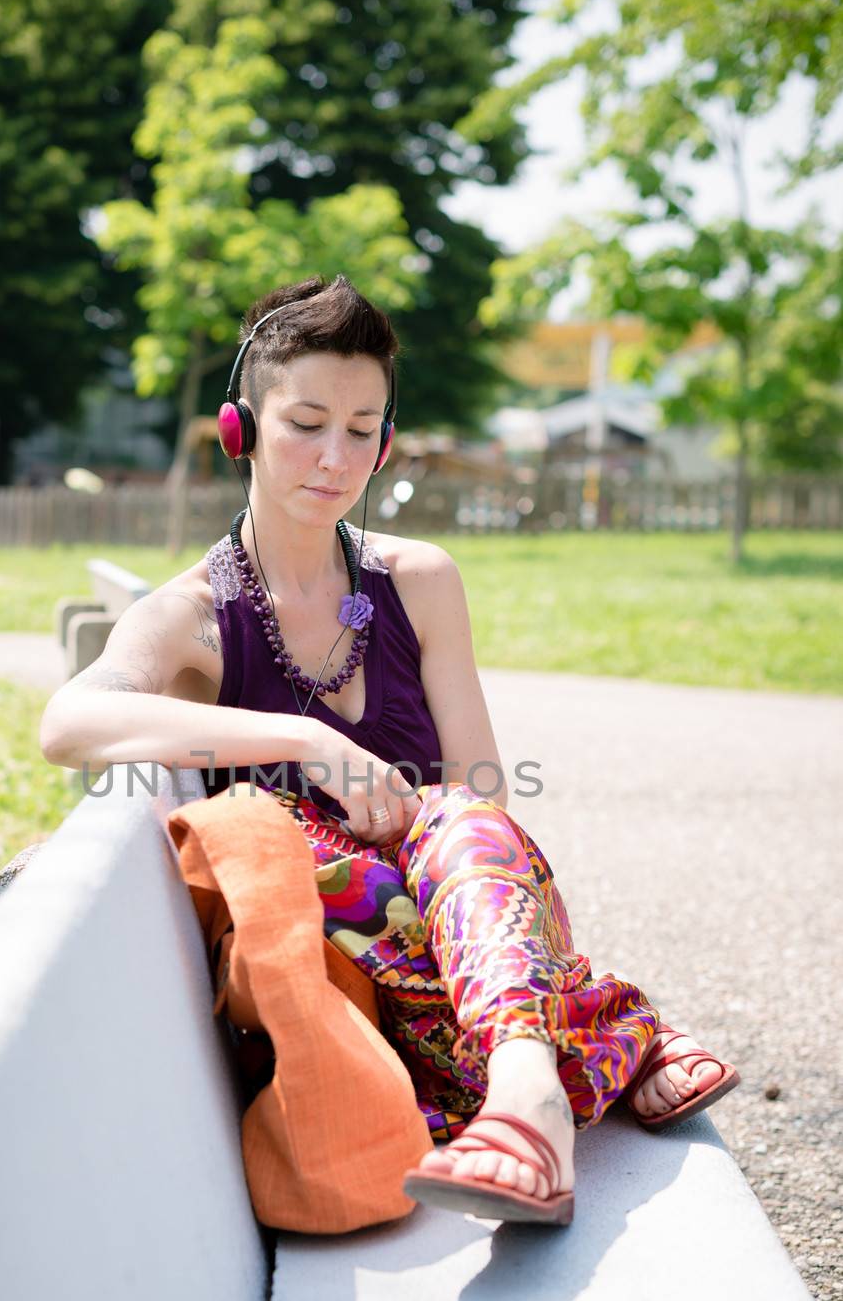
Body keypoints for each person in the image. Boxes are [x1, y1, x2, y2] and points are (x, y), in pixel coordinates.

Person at [38, 274, 739, 1227]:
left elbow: (488, 803)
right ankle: (605, 1034)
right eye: (307, 423)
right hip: (362, 980)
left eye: (362, 429)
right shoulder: (193, 617)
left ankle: (528, 1103)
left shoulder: (418, 582)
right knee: (309, 852)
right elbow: (67, 725)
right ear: (240, 427)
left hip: (473, 920)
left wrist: (437, 830)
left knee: (460, 813)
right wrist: (303, 739)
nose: (335, 457)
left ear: (387, 441)